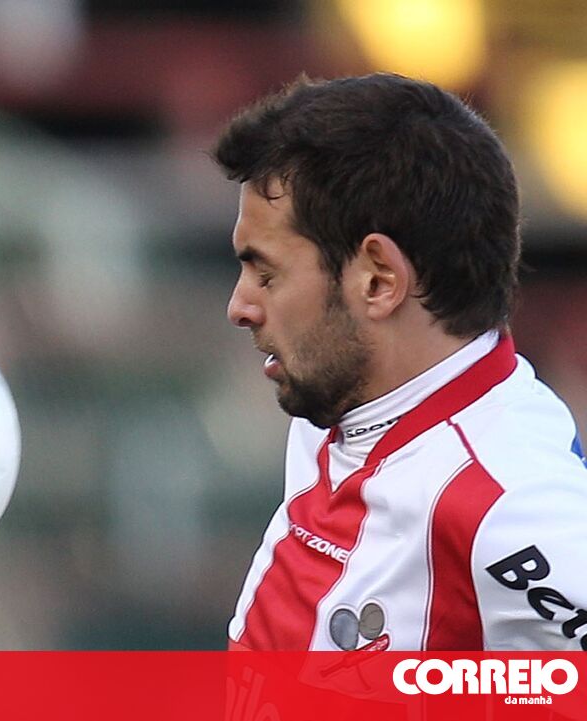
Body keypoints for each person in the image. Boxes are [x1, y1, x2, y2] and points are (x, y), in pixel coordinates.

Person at [215, 73, 587, 651]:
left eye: (266, 274)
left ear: (378, 280)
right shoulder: (345, 400)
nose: (240, 307)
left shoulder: (511, 507)